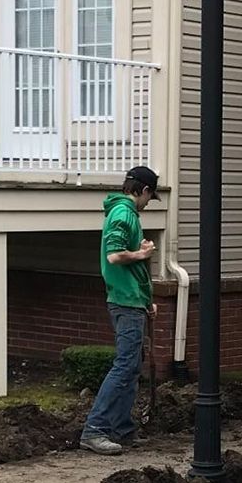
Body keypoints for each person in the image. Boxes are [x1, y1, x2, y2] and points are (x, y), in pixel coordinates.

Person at [80, 165, 159, 454]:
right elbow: (114, 256)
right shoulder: (124, 213)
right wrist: (142, 253)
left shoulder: (127, 214)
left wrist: (146, 298)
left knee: (131, 367)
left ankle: (122, 429)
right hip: (125, 302)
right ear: (144, 190)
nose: (149, 202)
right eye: (150, 196)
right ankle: (95, 429)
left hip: (132, 300)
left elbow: (132, 266)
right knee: (124, 366)